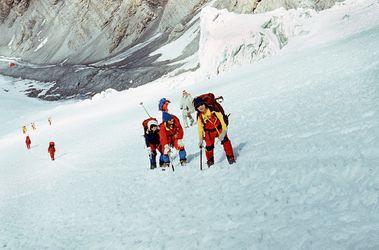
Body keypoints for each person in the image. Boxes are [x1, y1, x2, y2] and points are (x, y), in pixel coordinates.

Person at [194, 97, 236, 167]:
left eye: (201, 104)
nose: (200, 107)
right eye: (198, 106)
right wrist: (200, 139)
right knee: (209, 147)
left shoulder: (213, 110)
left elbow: (222, 120)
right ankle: (210, 161)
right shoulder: (199, 116)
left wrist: (224, 131)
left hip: (219, 129)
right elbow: (200, 128)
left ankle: (230, 157)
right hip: (209, 133)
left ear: (204, 104)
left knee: (225, 141)